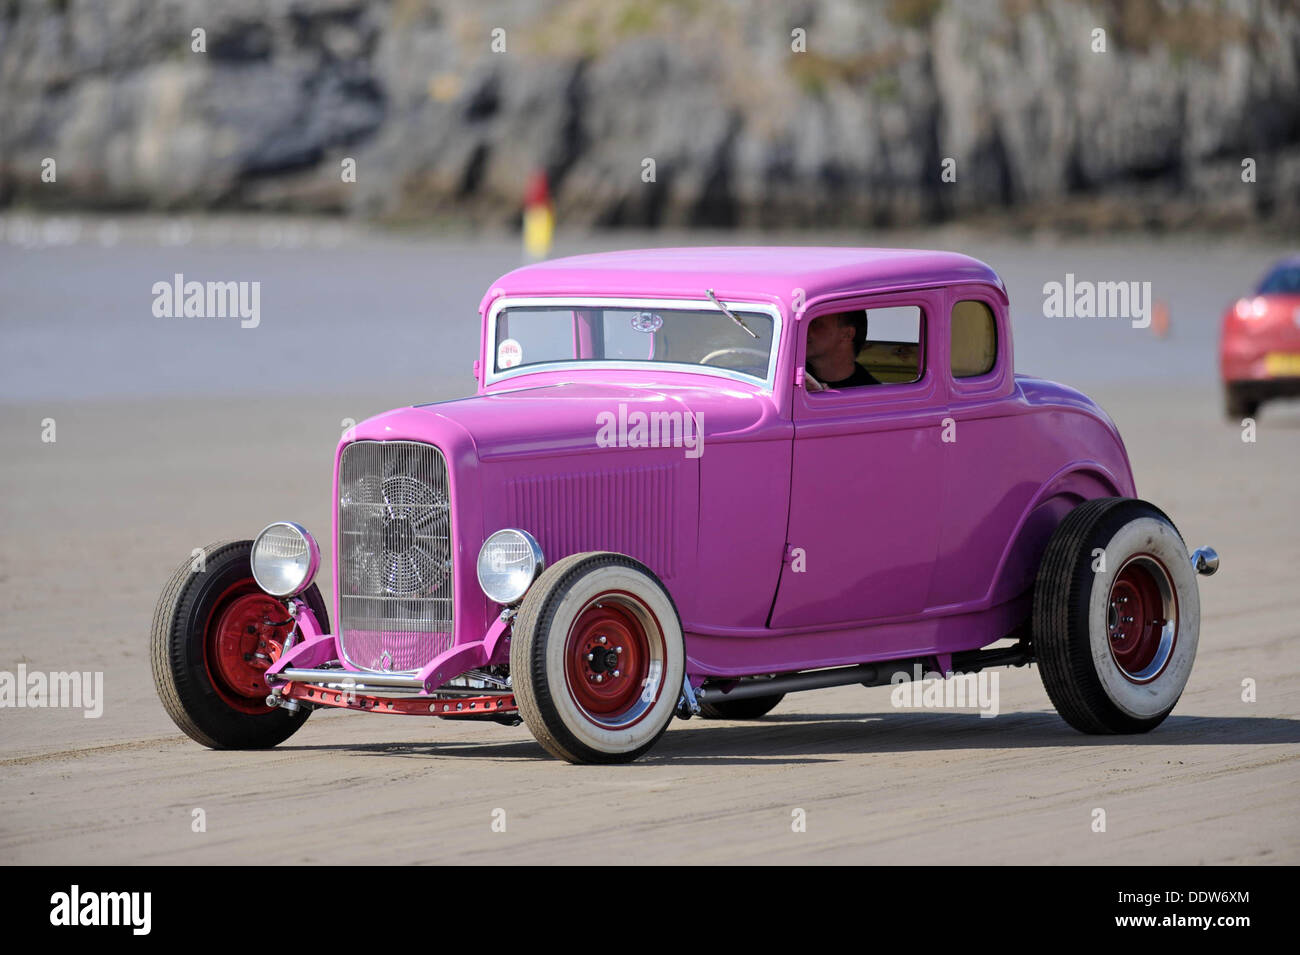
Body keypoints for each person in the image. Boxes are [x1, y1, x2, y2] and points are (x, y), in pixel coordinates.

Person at [805, 310, 878, 391]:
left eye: (815, 323)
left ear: (847, 334)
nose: (804, 329)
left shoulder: (871, 394)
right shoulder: (791, 376)